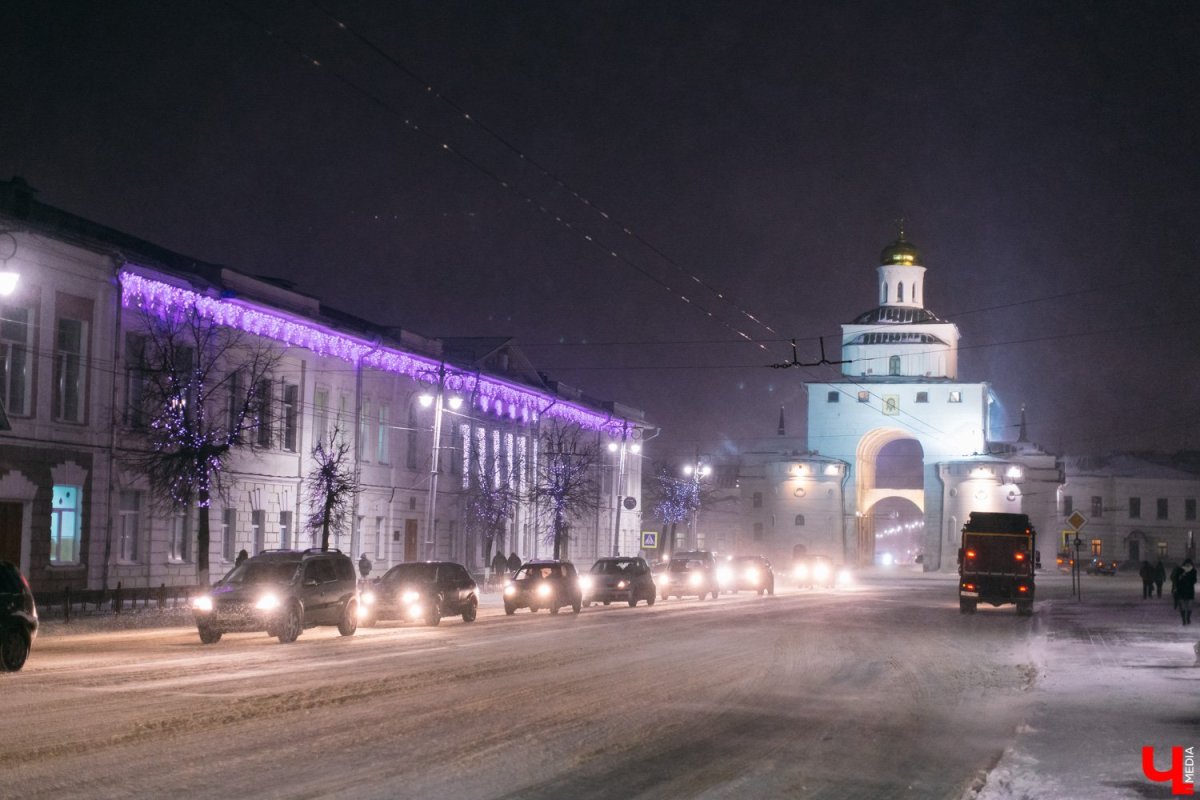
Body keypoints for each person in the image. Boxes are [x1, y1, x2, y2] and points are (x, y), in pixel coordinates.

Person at [1177, 558, 1196, 626]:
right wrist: (1181, 576)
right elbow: (1177, 580)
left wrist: (1188, 578)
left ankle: (1187, 617)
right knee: (1182, 606)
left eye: (1189, 564)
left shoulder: (1193, 571)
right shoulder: (1180, 570)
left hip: (1189, 591)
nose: (1188, 565)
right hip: (1182, 591)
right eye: (1187, 564)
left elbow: (1194, 580)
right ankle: (1183, 619)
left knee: (1189, 606)